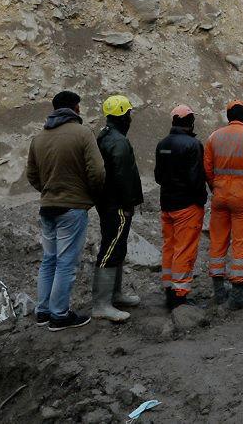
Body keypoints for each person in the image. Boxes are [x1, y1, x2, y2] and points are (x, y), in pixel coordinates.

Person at [26, 90, 104, 331]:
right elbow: (98, 171)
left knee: (49, 260)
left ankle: (43, 311)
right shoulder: (82, 133)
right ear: (75, 108)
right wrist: (89, 194)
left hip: (47, 207)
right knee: (66, 263)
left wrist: (48, 190)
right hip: (72, 207)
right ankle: (59, 315)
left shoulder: (38, 138)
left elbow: (31, 175)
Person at [204, 100, 243, 309]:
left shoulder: (214, 137)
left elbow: (208, 169)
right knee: (241, 244)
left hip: (220, 196)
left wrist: (216, 187)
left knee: (218, 241)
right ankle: (238, 294)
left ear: (229, 117)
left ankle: (219, 291)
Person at [92, 95, 144, 324]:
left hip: (108, 202)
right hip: (117, 205)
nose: (130, 118)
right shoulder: (119, 142)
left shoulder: (104, 136)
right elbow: (123, 176)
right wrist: (128, 202)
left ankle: (114, 295)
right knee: (111, 249)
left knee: (116, 247)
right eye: (129, 114)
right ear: (123, 115)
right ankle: (102, 304)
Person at [154, 105, 207, 310]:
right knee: (184, 249)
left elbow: (159, 176)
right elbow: (196, 178)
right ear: (190, 121)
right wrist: (200, 199)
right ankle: (180, 296)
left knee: (169, 246)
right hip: (187, 206)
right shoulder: (193, 144)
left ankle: (169, 289)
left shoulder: (162, 144)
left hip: (167, 204)